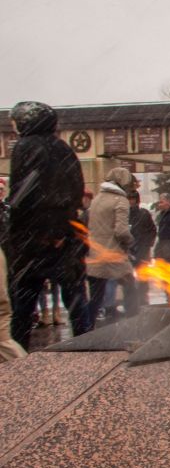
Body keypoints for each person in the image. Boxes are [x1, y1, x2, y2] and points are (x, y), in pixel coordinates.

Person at [6, 101, 90, 347]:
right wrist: (63, 230)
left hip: (33, 241)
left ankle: (18, 357)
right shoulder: (64, 148)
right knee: (75, 299)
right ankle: (88, 348)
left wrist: (19, 237)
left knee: (23, 304)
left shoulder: (25, 147)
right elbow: (75, 191)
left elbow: (22, 196)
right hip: (66, 237)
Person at [85, 167, 135, 324]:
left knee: (95, 296)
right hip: (114, 255)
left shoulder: (96, 200)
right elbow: (121, 232)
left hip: (95, 255)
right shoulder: (120, 201)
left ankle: (86, 328)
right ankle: (135, 323)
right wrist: (130, 243)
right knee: (130, 288)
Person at [126, 186, 156, 309]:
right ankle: (132, 300)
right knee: (128, 278)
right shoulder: (124, 214)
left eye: (133, 199)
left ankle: (142, 298)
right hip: (129, 251)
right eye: (129, 199)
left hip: (141, 250)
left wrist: (147, 245)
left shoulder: (143, 214)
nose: (131, 201)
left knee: (142, 277)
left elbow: (152, 231)